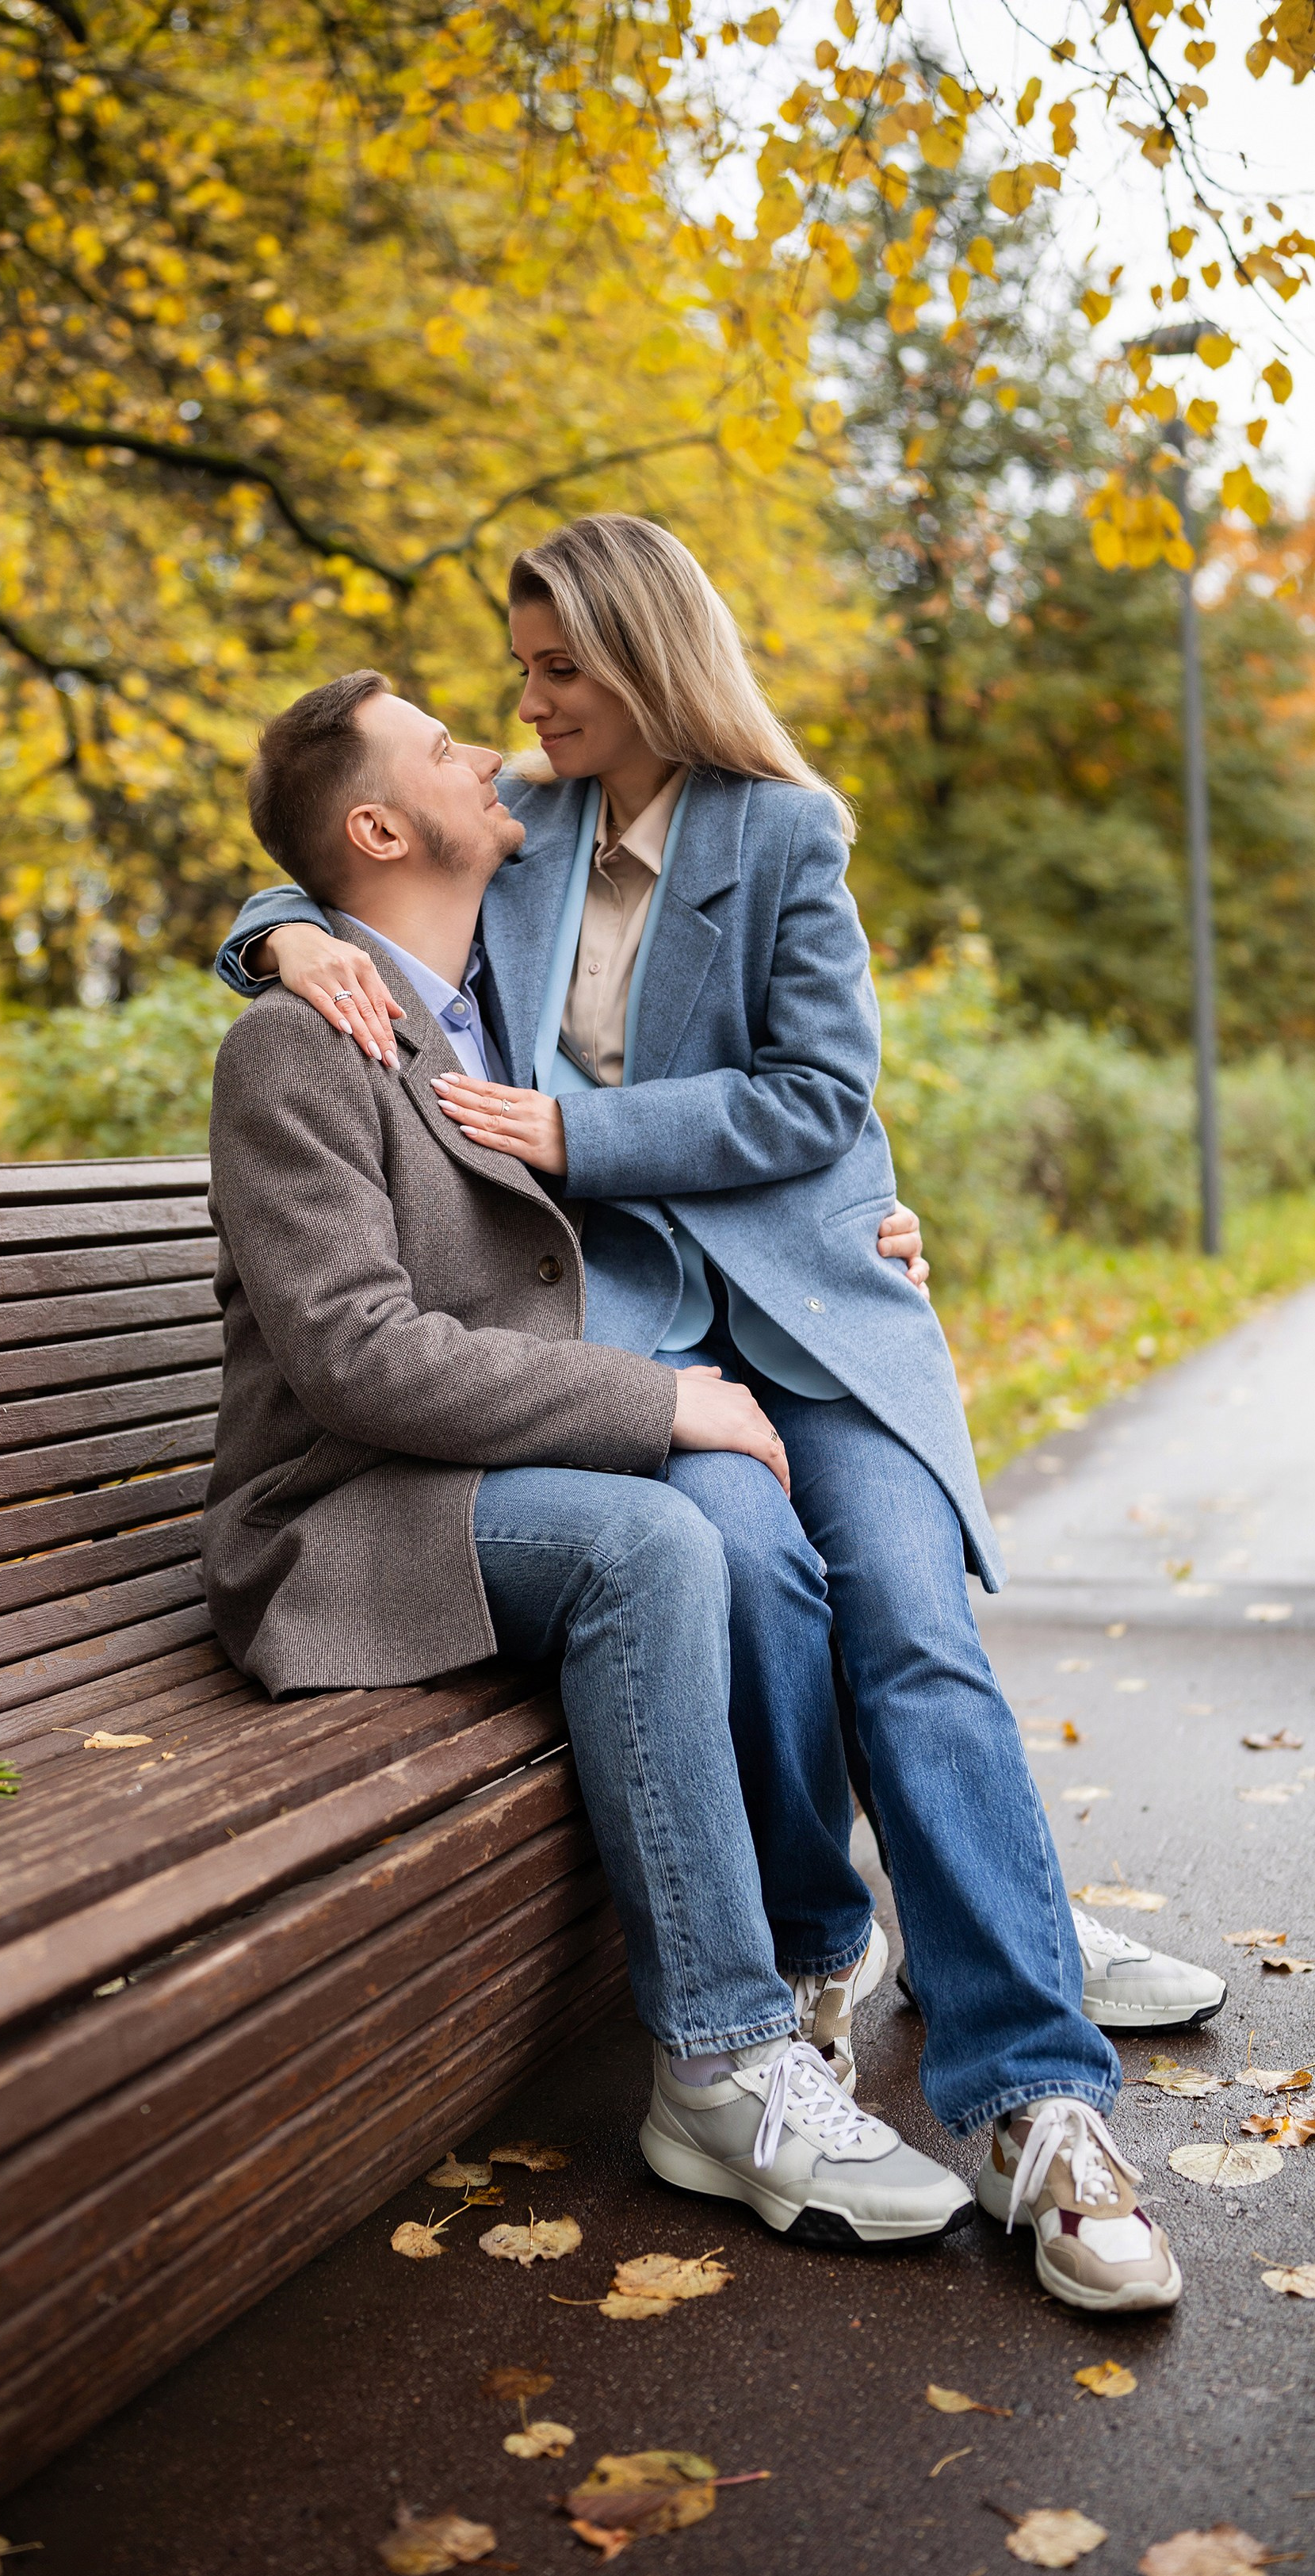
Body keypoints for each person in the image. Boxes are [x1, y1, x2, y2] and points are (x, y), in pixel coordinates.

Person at [216, 517, 1224, 2318]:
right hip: (638, 1339)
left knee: (910, 1624)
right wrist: (275, 939)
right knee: (748, 1579)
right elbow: (342, 866)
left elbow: (822, 1092)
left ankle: (1035, 2097)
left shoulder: (784, 832)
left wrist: (589, 1139)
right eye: (514, 676)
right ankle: (826, 1953)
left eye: (553, 669)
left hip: (815, 1312)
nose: (520, 707)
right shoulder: (515, 830)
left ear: (643, 657)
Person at [206, 667, 974, 2254]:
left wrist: (850, 1233)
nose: (488, 746)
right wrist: (655, 1399)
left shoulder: (508, 962)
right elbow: (353, 1354)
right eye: (441, 745)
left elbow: (749, 1039)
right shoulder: (298, 1046)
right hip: (345, 1518)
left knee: (751, 1521)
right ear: (377, 824)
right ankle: (718, 2059)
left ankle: (873, 1921)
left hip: (492, 1474)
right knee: (660, 1543)